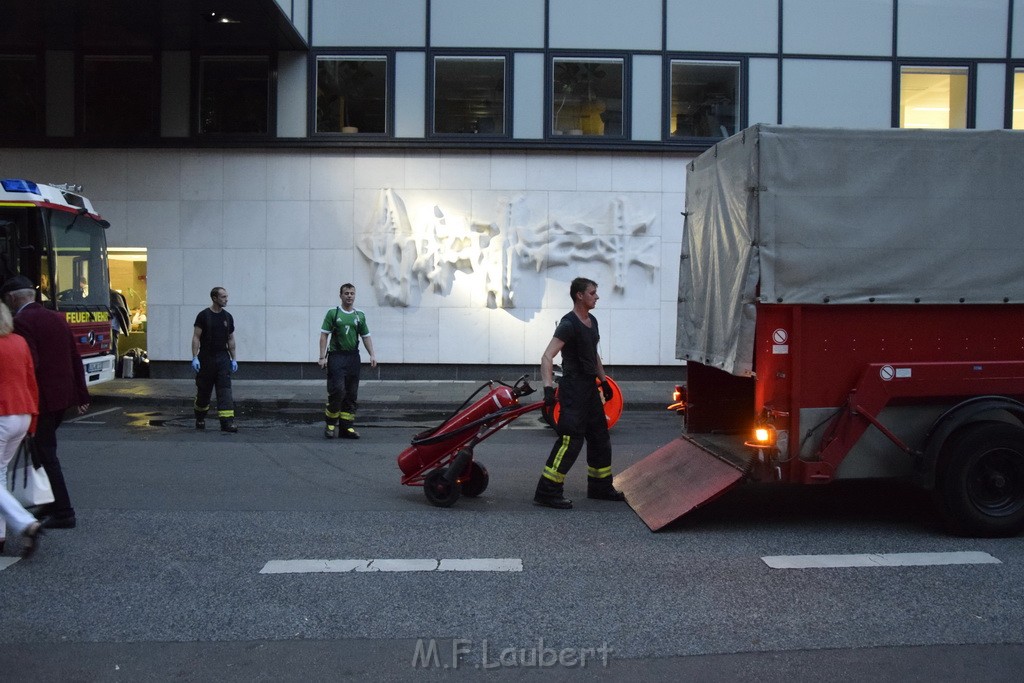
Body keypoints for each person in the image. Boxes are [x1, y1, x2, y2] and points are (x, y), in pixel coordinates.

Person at [1, 274, 89, 530]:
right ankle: (50, 504)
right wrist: (81, 394)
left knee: (46, 453)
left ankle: (63, 511)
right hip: (62, 397)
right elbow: (75, 356)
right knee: (42, 452)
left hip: (40, 399)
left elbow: (31, 365)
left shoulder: (21, 322)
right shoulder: (56, 317)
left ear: (11, 298)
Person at [534, 277, 625, 509]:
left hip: (590, 388)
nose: (597, 296)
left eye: (596, 292)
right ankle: (547, 491)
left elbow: (593, 354)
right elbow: (547, 356)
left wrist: (603, 382)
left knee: (600, 438)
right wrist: (547, 387)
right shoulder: (568, 324)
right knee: (571, 441)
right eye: (593, 293)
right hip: (573, 389)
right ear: (580, 296)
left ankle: (599, 487)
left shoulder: (592, 321)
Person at [0, 300, 45, 557]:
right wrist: (34, 422)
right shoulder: (19, 342)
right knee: (0, 474)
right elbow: (31, 382)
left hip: (2, 413)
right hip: (23, 413)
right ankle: (2, 534)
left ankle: (26, 523)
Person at [318, 283, 376, 439]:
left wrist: (372, 354)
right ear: (341, 295)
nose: (349, 296)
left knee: (351, 393)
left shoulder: (359, 315)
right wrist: (322, 357)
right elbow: (324, 335)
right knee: (337, 390)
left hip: (352, 358)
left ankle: (346, 427)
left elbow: (365, 336)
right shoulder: (333, 313)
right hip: (337, 357)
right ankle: (330, 425)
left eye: (352, 293)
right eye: (346, 293)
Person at [191, 287, 238, 433]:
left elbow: (231, 339)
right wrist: (195, 357)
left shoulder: (227, 317)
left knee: (225, 390)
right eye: (223, 297)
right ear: (214, 298)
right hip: (206, 358)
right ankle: (200, 417)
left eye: (226, 296)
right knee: (204, 392)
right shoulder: (204, 316)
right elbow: (196, 337)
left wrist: (234, 359)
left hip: (223, 358)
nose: (226, 299)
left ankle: (227, 423)